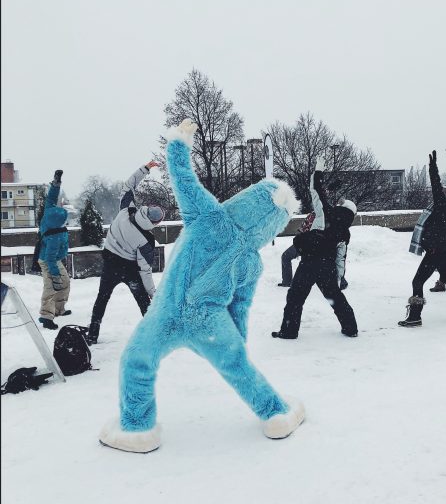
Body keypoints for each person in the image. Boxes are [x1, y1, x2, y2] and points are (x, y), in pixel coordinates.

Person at [98, 119, 304, 453]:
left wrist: (179, 142)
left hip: (166, 314)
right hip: (210, 323)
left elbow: (182, 178)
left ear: (248, 199)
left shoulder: (209, 217)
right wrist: (235, 340)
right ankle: (276, 414)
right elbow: (240, 305)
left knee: (137, 360)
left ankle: (137, 428)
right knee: (238, 368)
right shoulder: (252, 260)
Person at [271, 159, 358, 339]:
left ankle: (289, 331)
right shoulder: (345, 232)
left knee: (296, 297)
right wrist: (338, 279)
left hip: (309, 262)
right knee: (335, 298)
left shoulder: (326, 212)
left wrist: (318, 171)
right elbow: (341, 258)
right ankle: (351, 328)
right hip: (327, 267)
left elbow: (316, 190)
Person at [87, 160, 164, 344]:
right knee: (142, 300)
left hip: (110, 264)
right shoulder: (146, 240)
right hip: (129, 270)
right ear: (155, 223)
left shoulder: (126, 210)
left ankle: (93, 334)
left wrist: (145, 169)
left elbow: (129, 185)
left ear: (145, 209)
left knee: (102, 299)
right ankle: (153, 333)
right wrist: (153, 293)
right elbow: (145, 270)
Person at [399, 151, 446, 327]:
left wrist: (433, 167)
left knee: (417, 281)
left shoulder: (442, 206)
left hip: (435, 252)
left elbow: (436, 186)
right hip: (445, 251)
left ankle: (415, 316)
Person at [37, 170, 71, 330]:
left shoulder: (49, 212)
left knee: (65, 282)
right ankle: (46, 316)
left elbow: (51, 198)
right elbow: (50, 259)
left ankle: (59, 309)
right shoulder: (54, 237)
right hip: (47, 260)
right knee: (50, 286)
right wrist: (55, 276)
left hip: (54, 259)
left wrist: (56, 184)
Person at [277, 212, 315, 287]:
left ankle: (288, 281)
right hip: (304, 241)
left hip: (306, 242)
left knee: (286, 256)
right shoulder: (313, 214)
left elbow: (308, 230)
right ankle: (290, 281)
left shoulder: (318, 216)